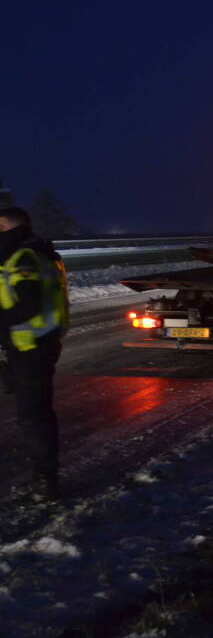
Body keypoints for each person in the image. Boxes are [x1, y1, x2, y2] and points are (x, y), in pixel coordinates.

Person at [0, 207, 69, 501]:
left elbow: (26, 305)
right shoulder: (39, 252)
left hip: (31, 346)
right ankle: (45, 476)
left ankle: (45, 481)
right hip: (34, 345)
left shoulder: (24, 257)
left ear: (7, 226)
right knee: (37, 412)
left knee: (33, 417)